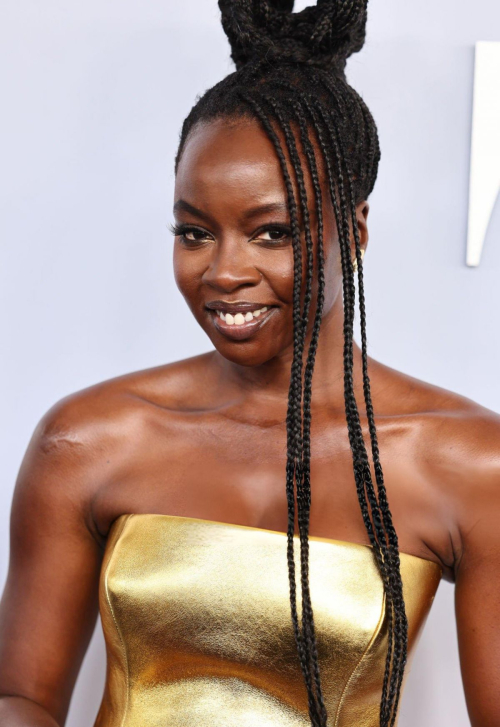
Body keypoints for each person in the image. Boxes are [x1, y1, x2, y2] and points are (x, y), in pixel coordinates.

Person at [0, 1, 499, 725]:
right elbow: (20, 698)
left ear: (353, 230)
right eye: (195, 231)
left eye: (271, 232)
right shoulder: (88, 439)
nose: (224, 271)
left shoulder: (469, 462)